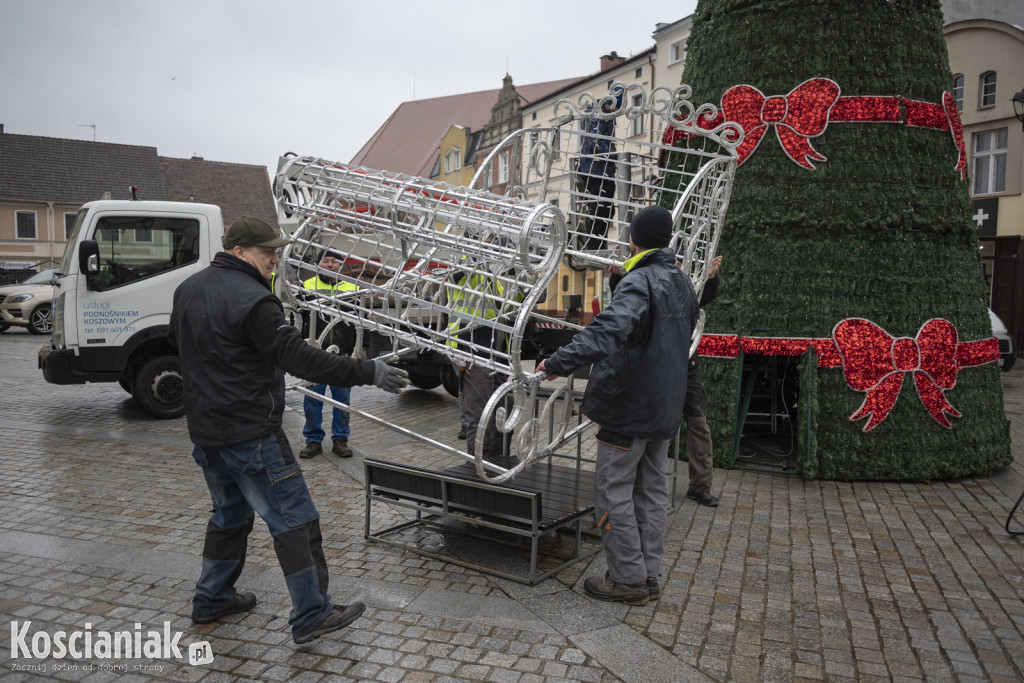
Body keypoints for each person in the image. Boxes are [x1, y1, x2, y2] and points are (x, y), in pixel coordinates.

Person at [168, 217, 409, 645]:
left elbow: (181, 346)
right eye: (267, 251)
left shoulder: (188, 289)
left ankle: (212, 598)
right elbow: (301, 359)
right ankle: (311, 612)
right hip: (250, 434)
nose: (275, 258)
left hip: (207, 432)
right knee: (296, 521)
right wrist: (368, 369)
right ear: (240, 252)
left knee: (229, 516)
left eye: (276, 250)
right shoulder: (255, 300)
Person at [537, 205, 698, 606]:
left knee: (613, 492)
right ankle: (648, 574)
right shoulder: (681, 279)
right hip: (662, 407)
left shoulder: (639, 280)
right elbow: (657, 332)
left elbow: (610, 331)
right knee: (652, 491)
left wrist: (557, 363)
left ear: (634, 239)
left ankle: (626, 579)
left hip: (629, 406)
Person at [299, 251, 359, 459]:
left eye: (335, 262)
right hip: (314, 353)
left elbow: (362, 322)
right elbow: (300, 320)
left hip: (343, 354)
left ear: (341, 265)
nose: (330, 265)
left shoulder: (352, 287)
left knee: (341, 400)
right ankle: (313, 441)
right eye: (326, 261)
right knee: (313, 400)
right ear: (318, 264)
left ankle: (340, 440)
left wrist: (358, 348)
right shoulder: (306, 286)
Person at [684, 255, 722, 508]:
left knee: (699, 424)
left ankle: (700, 487)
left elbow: (701, 299)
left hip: (688, 365)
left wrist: (709, 279)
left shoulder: (686, 284)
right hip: (661, 365)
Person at [575, 87, 623, 251]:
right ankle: (595, 246)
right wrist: (615, 155)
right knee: (599, 209)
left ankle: (599, 244)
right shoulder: (595, 113)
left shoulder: (605, 113)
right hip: (593, 170)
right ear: (612, 103)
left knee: (606, 210)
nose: (617, 112)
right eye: (617, 108)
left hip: (603, 170)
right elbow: (596, 141)